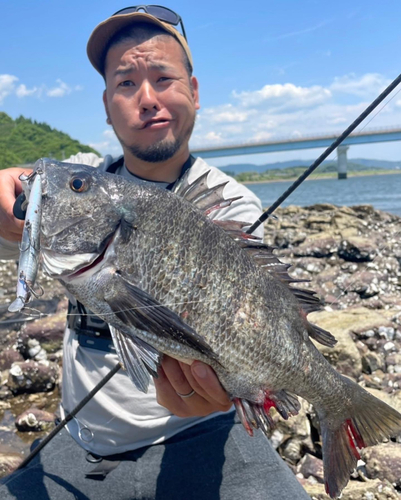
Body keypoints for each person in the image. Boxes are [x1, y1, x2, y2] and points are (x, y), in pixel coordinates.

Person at [0, 7, 310, 500]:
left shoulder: (232, 206)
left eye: (163, 77)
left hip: (206, 433)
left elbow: (256, 337)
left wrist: (230, 394)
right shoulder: (85, 179)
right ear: (106, 105)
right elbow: (26, 192)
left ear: (195, 90)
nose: (147, 99)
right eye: (126, 83)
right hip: (80, 441)